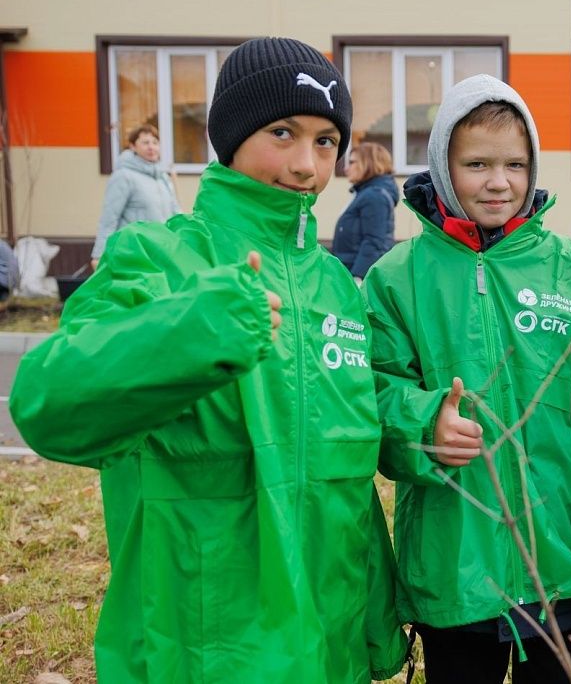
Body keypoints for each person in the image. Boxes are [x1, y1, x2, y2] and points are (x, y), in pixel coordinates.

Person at [9, 37, 407, 682]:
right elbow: (48, 405)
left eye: (327, 141)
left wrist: (419, 430)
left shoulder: (334, 284)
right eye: (283, 132)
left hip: (329, 642)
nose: (307, 165)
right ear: (230, 134)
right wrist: (194, 330)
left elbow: (350, 457)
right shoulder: (157, 258)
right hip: (205, 648)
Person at [365, 74, 571, 684]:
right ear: (443, 165)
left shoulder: (570, 268)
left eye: (516, 164)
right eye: (477, 163)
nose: (499, 181)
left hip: (559, 552)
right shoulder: (397, 278)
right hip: (452, 556)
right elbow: (374, 395)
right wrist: (422, 422)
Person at [91, 123, 182, 269]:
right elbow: (109, 218)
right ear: (133, 146)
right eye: (145, 143)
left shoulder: (163, 177)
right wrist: (98, 255)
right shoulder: (124, 176)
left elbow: (175, 213)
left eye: (155, 142)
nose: (151, 147)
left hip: (160, 251)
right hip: (134, 252)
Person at [333, 141, 397, 282]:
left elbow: (374, 241)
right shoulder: (365, 194)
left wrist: (358, 278)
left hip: (358, 277)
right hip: (350, 272)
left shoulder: (375, 196)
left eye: (352, 162)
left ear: (369, 163)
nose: (346, 168)